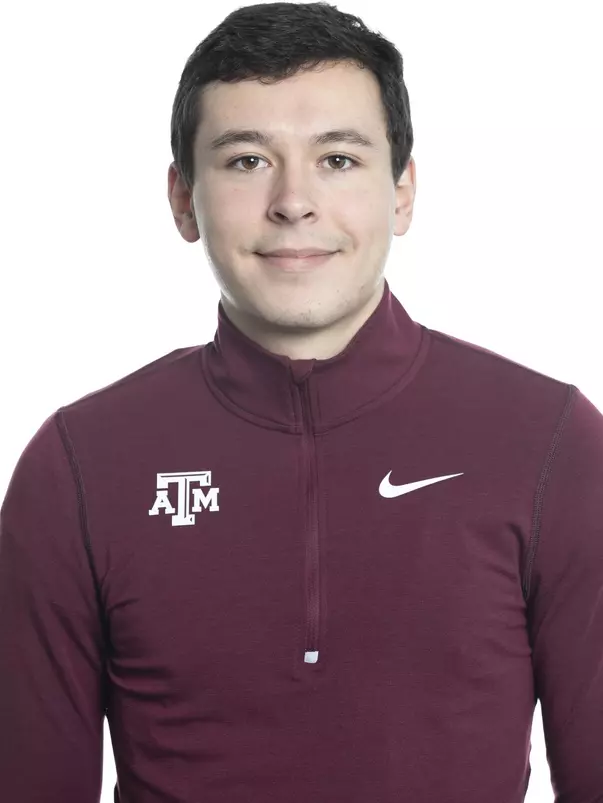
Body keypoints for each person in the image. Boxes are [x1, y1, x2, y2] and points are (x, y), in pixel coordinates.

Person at [1, 2, 602, 801]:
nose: (293, 201)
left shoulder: (549, 444)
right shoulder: (79, 466)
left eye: (338, 159)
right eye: (247, 160)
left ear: (401, 192)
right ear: (182, 198)